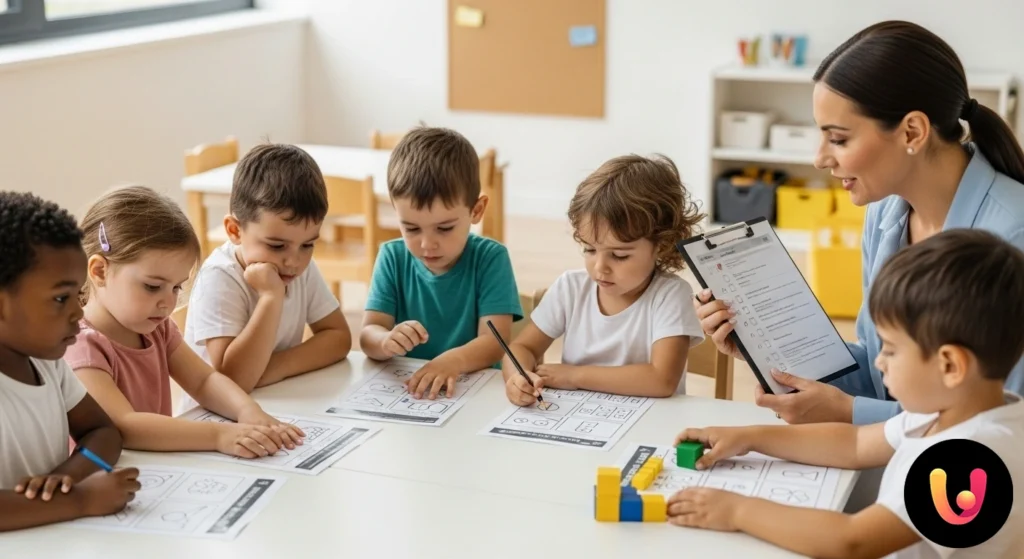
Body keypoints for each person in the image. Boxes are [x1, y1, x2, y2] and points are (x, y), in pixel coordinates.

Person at [694, 20, 1024, 425]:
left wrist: (850, 413)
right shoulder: (886, 212)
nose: (819, 158)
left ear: (913, 132)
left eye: (839, 139)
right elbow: (877, 371)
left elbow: (1000, 423)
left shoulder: (1012, 237)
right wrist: (767, 348)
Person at [670, 229, 1024, 558]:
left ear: (950, 366)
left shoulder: (977, 461)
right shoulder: (950, 409)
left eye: (891, 350)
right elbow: (854, 444)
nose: (879, 362)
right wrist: (751, 437)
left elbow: (853, 540)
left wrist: (736, 510)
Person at [64, 185, 305, 458]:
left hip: (155, 469)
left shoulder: (157, 328)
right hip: (101, 483)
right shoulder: (80, 346)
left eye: (177, 287)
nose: (168, 302)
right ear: (99, 271)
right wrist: (219, 435)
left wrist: (247, 410)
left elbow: (204, 381)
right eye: (153, 287)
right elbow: (125, 425)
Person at [503, 154, 705, 405]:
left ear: (661, 246)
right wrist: (517, 377)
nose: (600, 267)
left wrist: (576, 376)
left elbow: (661, 380)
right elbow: (522, 348)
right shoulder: (570, 288)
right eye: (589, 249)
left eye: (619, 255)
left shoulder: (670, 296)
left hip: (650, 426)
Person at [0, 191, 140, 532]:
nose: (78, 312)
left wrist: (65, 478)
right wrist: (79, 499)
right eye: (61, 298)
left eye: (77, 295)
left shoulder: (45, 361)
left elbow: (102, 432)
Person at [183, 143, 351, 411]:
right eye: (276, 245)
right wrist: (270, 297)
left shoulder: (295, 267)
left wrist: (271, 369)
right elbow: (234, 381)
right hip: (214, 421)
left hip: (273, 404)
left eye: (308, 245)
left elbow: (339, 337)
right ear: (235, 230)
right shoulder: (219, 277)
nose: (293, 261)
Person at [360, 126, 523, 400]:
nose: (427, 244)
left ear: (476, 210)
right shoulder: (391, 257)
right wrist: (384, 341)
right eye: (411, 228)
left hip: (472, 391)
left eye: (444, 228)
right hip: (408, 394)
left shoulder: (490, 258)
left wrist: (452, 362)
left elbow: (495, 341)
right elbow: (368, 334)